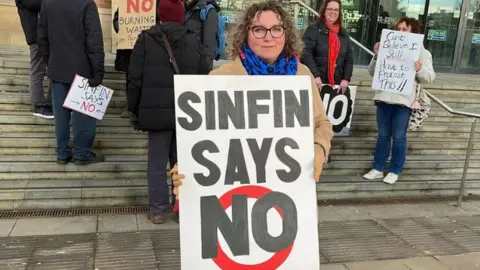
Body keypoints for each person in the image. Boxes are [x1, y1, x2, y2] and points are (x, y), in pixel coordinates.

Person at [170, 0, 334, 210]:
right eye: (259, 29)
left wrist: (319, 148)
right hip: (234, 200)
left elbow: (322, 123)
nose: (268, 37)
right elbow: (201, 141)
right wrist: (189, 171)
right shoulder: (219, 78)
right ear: (245, 34)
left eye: (276, 29)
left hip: (287, 194)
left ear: (286, 34)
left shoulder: (302, 75)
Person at [127, 0, 209, 224]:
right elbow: (204, 75)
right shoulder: (193, 41)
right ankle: (181, 207)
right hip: (186, 112)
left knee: (156, 162)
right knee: (181, 161)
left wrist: (135, 109)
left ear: (159, 15)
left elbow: (134, 78)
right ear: (182, 16)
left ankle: (157, 210)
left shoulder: (145, 39)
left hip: (156, 113)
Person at [363, 17, 435, 184]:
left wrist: (420, 69)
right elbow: (372, 72)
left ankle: (395, 169)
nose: (400, 32)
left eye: (405, 29)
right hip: (383, 98)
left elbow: (430, 77)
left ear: (413, 32)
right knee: (382, 136)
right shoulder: (387, 47)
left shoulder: (423, 53)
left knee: (399, 136)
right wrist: (376, 56)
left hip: (404, 101)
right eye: (399, 28)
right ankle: (378, 168)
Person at [37, 0, 105, 165]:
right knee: (84, 116)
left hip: (58, 67)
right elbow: (94, 40)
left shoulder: (48, 3)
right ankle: (82, 153)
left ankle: (62, 152)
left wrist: (50, 61)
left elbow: (42, 38)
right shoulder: (87, 4)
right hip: (82, 69)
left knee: (61, 115)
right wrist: (98, 72)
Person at [112, 0, 161, 118]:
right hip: (129, 49)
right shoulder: (127, 3)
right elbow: (118, 19)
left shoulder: (156, 3)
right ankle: (130, 107)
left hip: (149, 47)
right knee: (131, 77)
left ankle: (145, 106)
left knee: (148, 77)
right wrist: (124, 28)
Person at [15, 0, 53, 119]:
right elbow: (33, 3)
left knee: (55, 67)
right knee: (38, 69)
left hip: (47, 34)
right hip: (36, 35)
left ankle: (52, 102)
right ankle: (39, 104)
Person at [183, 0, 220, 70]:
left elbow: (209, 45)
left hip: (198, 67)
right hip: (186, 64)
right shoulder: (189, 9)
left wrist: (206, 72)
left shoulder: (208, 11)